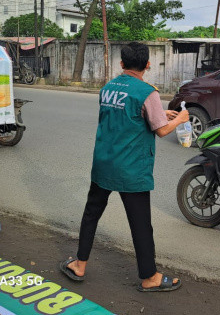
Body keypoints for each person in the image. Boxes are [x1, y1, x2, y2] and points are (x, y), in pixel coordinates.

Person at [59, 42, 190, 292]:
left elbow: (125, 113)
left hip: (104, 163)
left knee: (91, 214)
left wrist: (159, 111)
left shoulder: (108, 88)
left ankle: (79, 264)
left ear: (121, 64)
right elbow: (161, 130)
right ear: (148, 65)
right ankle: (149, 277)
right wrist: (181, 117)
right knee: (140, 223)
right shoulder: (146, 91)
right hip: (131, 169)